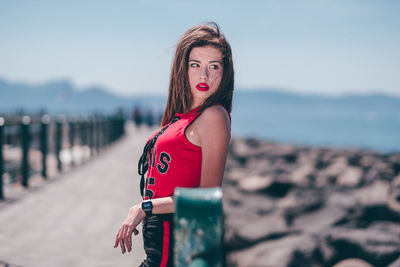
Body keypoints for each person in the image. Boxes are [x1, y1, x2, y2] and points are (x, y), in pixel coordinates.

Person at [114, 22, 234, 267]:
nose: (204, 75)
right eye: (195, 65)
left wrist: (144, 208)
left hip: (175, 239)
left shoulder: (213, 116)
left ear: (224, 72)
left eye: (214, 66)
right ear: (183, 68)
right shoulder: (182, 115)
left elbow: (208, 196)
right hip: (160, 239)